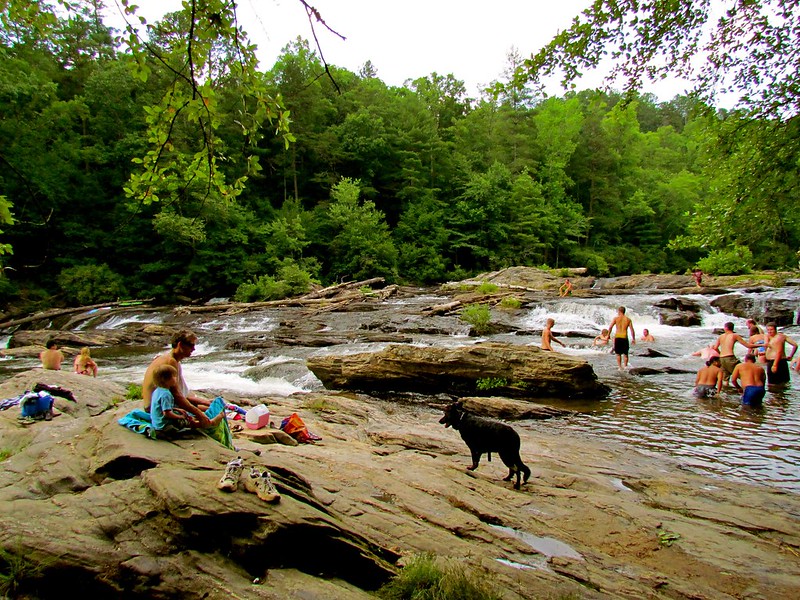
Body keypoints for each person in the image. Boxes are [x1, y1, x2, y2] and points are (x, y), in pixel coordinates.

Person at [142, 329, 212, 427]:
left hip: (158, 404)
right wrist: (199, 414)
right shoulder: (171, 362)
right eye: (191, 345)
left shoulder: (170, 358)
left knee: (207, 406)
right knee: (211, 412)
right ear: (180, 345)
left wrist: (204, 402)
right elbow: (177, 396)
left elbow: (178, 394)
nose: (194, 349)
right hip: (157, 409)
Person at [149, 364, 223, 433]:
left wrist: (177, 410)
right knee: (186, 422)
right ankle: (210, 423)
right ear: (166, 379)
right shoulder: (166, 394)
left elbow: (162, 408)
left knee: (184, 413)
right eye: (174, 376)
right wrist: (180, 416)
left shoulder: (158, 391)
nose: (176, 378)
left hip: (157, 423)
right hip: (165, 426)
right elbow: (166, 414)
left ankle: (199, 420)